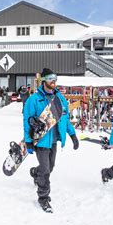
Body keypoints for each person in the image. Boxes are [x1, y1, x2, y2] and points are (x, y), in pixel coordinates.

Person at [23, 68, 79, 213]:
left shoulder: (60, 99)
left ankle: (36, 173)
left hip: (53, 140)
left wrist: (72, 135)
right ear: (43, 81)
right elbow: (26, 121)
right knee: (46, 171)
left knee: (49, 167)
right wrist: (28, 141)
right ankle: (43, 198)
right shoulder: (34, 99)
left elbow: (65, 119)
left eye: (55, 79)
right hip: (41, 141)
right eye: (50, 79)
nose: (53, 82)